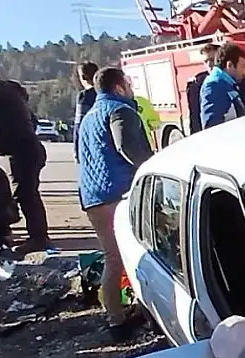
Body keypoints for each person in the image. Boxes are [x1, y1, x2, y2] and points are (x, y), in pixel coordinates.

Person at [77, 67, 153, 342]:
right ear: (119, 87)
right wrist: (154, 167)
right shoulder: (121, 111)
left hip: (92, 196)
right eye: (128, 84)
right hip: (117, 193)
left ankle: (116, 318)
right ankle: (142, 314)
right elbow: (130, 149)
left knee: (112, 256)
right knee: (139, 253)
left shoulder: (88, 117)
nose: (131, 89)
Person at [0, 63, 51, 254]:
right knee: (23, 194)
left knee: (26, 195)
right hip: (19, 150)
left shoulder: (0, 89)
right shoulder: (1, 96)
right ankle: (32, 236)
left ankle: (38, 238)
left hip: (21, 151)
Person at [200, 43, 245, 129]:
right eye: (242, 67)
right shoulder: (213, 87)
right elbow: (212, 128)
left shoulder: (226, 83)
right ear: (230, 65)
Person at [186, 43, 218, 135]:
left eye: (212, 60)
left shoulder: (232, 80)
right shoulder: (197, 84)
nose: (209, 64)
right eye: (206, 61)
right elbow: (194, 118)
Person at [73, 61, 98, 165]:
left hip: (90, 144)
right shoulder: (107, 92)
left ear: (83, 77)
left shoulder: (84, 96)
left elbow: (79, 125)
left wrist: (77, 151)